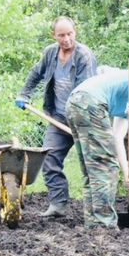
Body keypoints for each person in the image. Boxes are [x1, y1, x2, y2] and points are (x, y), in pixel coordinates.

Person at [65, 65, 129, 230]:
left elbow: (117, 139)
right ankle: (104, 224)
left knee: (92, 168)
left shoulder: (126, 105)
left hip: (75, 103)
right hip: (91, 102)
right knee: (105, 167)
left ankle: (93, 222)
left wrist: (128, 175)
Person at [15, 16, 97, 217]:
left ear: (75, 32)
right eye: (61, 35)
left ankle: (97, 209)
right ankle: (58, 204)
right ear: (54, 35)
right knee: (50, 157)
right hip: (58, 117)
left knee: (92, 164)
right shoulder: (50, 53)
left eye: (69, 34)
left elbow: (83, 92)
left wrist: (78, 125)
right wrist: (24, 94)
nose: (66, 39)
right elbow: (36, 73)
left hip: (84, 118)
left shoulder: (83, 56)